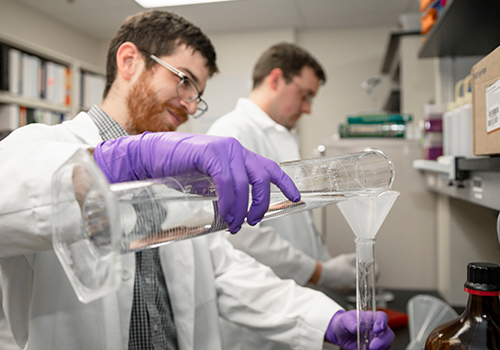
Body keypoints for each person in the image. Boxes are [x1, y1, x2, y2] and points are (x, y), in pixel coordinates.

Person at [0, 10, 394, 350]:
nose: (190, 106)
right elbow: (15, 199)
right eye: (183, 80)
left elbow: (222, 268)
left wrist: (322, 318)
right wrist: (131, 156)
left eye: (198, 95)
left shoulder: (175, 178)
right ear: (129, 61)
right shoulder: (41, 144)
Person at [207, 44, 358, 291]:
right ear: (276, 80)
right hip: (260, 305)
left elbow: (297, 225)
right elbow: (240, 234)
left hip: (294, 293)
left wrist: (327, 264)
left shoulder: (279, 135)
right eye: (305, 95)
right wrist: (321, 273)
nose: (308, 108)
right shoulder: (232, 134)